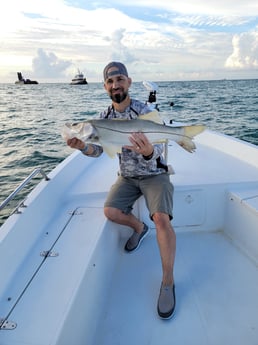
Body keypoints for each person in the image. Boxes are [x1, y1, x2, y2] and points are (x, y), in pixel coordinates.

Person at [67, 61, 176, 319]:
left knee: (161, 218)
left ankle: (168, 282)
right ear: (105, 87)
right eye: (110, 81)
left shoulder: (144, 110)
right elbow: (98, 150)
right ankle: (139, 228)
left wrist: (149, 151)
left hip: (154, 174)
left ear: (128, 82)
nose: (115, 85)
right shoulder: (102, 119)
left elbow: (159, 146)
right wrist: (81, 146)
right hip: (127, 177)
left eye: (119, 79)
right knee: (110, 211)